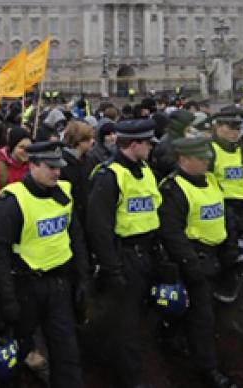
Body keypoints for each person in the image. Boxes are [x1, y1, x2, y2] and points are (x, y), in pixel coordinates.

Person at [0, 141, 89, 387]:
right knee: (17, 354)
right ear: (32, 165)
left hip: (59, 285)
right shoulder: (12, 201)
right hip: (25, 287)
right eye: (50, 167)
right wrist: (7, 299)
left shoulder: (64, 193)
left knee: (66, 351)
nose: (57, 172)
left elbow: (75, 237)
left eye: (59, 167)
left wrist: (82, 277)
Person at [86, 119, 162, 387]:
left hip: (146, 252)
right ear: (134, 144)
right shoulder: (108, 175)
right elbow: (99, 227)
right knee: (125, 322)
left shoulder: (145, 169)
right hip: (124, 255)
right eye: (148, 143)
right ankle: (131, 378)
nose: (152, 147)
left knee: (137, 316)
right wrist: (112, 268)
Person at [157, 137, 238, 388]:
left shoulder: (211, 181)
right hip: (193, 257)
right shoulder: (173, 188)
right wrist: (191, 265)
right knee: (203, 317)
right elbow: (171, 232)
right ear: (183, 160)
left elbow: (225, 215)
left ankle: (171, 335)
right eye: (200, 159)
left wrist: (230, 248)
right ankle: (208, 369)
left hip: (216, 255)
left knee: (198, 310)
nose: (207, 162)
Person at [207, 110, 243, 302]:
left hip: (240, 206)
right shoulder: (210, 150)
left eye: (237, 128)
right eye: (230, 128)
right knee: (226, 249)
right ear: (218, 127)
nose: (234, 132)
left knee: (234, 247)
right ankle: (223, 284)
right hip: (221, 207)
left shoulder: (239, 149)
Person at [60, 120, 94, 232]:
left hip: (86, 215)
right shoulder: (61, 163)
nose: (92, 142)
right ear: (79, 141)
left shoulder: (88, 160)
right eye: (88, 139)